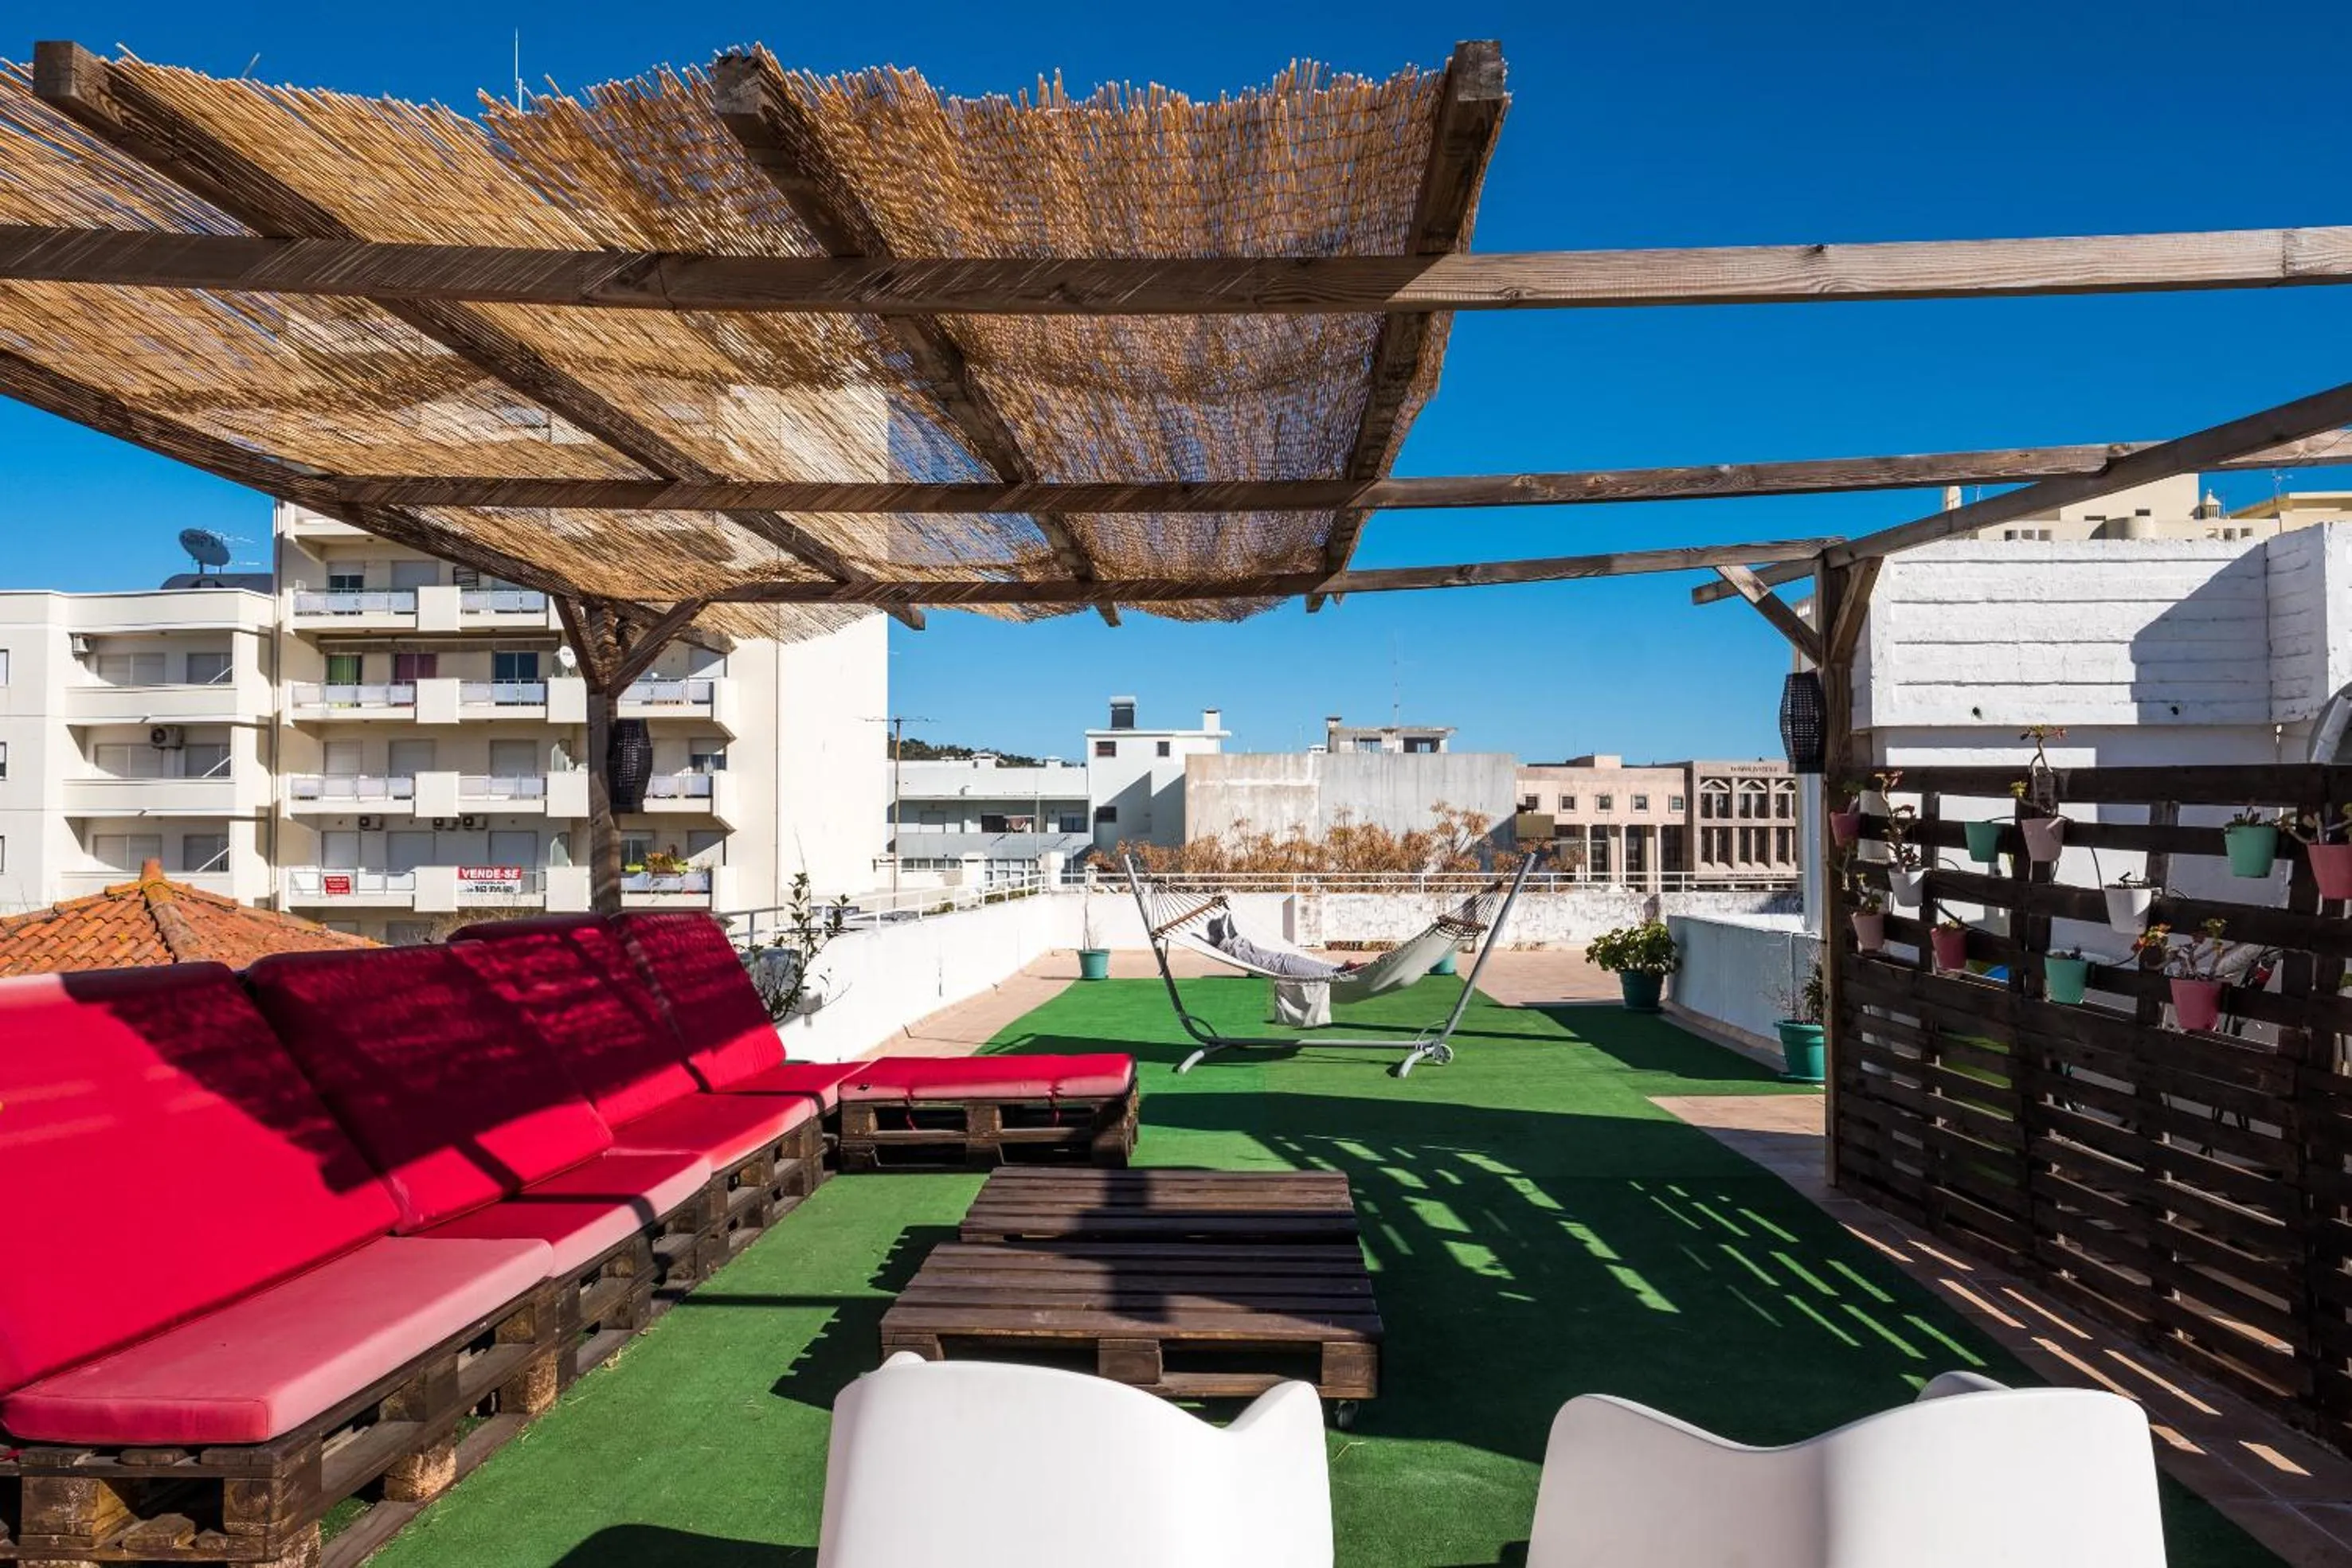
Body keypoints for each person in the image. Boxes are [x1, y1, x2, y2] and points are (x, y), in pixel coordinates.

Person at [1202, 911, 1363, 980]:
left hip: (1338, 979)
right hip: (1340, 972)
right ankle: (1238, 942)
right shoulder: (1379, 971)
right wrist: (1352, 966)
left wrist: (1352, 968)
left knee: (1282, 964)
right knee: (1286, 958)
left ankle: (1225, 946)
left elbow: (1364, 977)